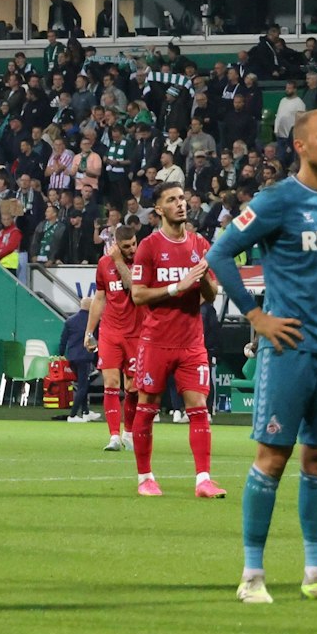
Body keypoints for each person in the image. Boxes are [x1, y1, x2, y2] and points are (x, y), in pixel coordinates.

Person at [206, 109, 317, 605]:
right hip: (288, 352)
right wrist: (256, 317)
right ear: (300, 145)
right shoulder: (276, 200)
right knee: (272, 458)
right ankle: (252, 575)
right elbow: (219, 254)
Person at [116, 181, 223, 499]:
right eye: (172, 200)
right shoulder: (149, 246)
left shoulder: (200, 244)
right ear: (159, 209)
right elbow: (138, 295)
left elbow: (212, 294)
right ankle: (145, 477)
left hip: (191, 341)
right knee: (148, 406)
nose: (181, 204)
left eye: (182, 198)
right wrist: (178, 286)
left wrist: (203, 279)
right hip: (156, 341)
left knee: (198, 407)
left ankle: (203, 479)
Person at [83, 224, 142, 451]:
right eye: (126, 246)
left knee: (133, 387)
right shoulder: (103, 264)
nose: (132, 249)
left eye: (134, 244)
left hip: (136, 333)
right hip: (110, 332)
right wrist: (89, 332)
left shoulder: (142, 262)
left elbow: (134, 288)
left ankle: (129, 433)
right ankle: (114, 436)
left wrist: (118, 261)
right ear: (116, 244)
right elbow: (99, 298)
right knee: (111, 383)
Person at [59, 294, 98, 423]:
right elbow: (96, 340)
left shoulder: (70, 321)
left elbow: (63, 340)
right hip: (85, 357)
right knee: (83, 386)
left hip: (72, 358)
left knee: (82, 385)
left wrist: (61, 355)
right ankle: (73, 415)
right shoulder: (93, 321)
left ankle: (85, 412)